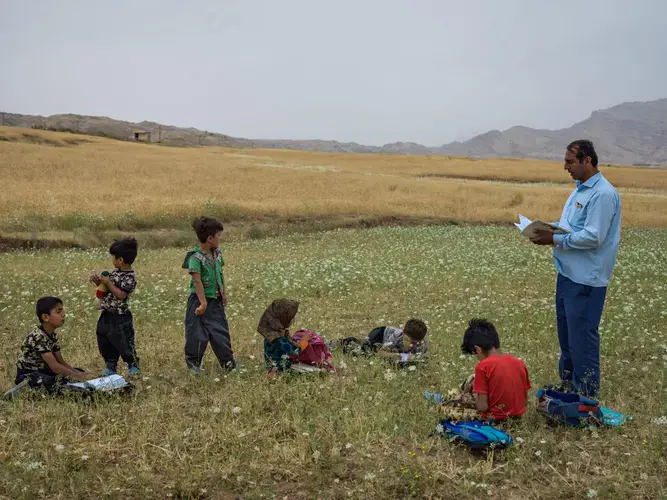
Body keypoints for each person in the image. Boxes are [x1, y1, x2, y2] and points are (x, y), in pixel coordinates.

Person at [530, 140, 621, 397]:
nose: (565, 167)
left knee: (582, 338)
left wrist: (554, 239)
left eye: (570, 162)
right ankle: (569, 384)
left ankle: (586, 395)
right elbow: (571, 225)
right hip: (568, 273)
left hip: (586, 279)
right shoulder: (579, 191)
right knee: (568, 336)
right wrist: (547, 227)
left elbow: (594, 237)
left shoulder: (602, 194)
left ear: (588, 161)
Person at [183, 216, 234, 374]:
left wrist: (223, 293)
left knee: (220, 332)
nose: (220, 239)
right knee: (196, 334)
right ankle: (194, 365)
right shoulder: (195, 258)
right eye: (219, 236)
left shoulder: (218, 254)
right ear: (210, 239)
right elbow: (197, 281)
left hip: (216, 301)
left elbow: (220, 273)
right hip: (199, 302)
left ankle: (228, 363)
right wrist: (203, 303)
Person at [15, 297, 94, 391]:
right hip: (31, 375)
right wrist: (76, 376)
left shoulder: (52, 336)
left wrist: (78, 373)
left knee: (77, 371)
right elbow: (55, 367)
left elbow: (61, 362)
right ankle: (21, 389)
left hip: (45, 371)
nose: (63, 314)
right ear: (45, 317)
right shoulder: (38, 337)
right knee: (59, 383)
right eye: (58, 311)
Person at [460, 319, 531, 421]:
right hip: (517, 418)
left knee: (448, 408)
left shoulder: (483, 367)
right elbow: (524, 401)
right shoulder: (519, 363)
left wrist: (474, 397)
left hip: (493, 420)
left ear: (477, 349)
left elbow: (482, 407)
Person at [90, 237, 140, 376]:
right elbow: (106, 290)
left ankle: (133, 364)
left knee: (124, 341)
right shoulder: (114, 273)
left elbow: (121, 295)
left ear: (120, 260)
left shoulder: (129, 277)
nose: (112, 259)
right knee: (104, 338)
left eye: (113, 257)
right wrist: (99, 283)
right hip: (107, 313)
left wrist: (108, 283)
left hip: (120, 316)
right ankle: (110, 364)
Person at [257, 298, 313, 377]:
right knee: (319, 371)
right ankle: (274, 374)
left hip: (272, 365)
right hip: (282, 367)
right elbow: (295, 353)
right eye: (290, 318)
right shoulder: (279, 339)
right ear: (283, 319)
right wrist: (304, 341)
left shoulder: (271, 334)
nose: (293, 320)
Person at [341, 319, 428, 364]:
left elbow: (422, 358)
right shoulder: (397, 336)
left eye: (415, 343)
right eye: (409, 341)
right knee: (366, 348)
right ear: (403, 333)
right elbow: (380, 352)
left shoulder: (422, 344)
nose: (412, 345)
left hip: (387, 342)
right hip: (380, 333)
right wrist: (399, 356)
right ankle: (346, 341)